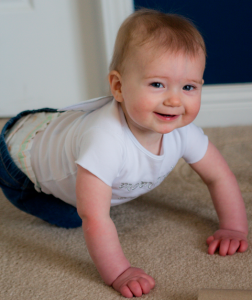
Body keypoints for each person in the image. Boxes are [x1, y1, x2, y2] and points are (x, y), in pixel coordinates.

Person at [0, 9, 248, 298]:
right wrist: (119, 272)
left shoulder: (182, 131)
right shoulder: (105, 140)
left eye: (189, 87)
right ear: (118, 86)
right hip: (18, 161)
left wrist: (234, 227)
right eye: (157, 84)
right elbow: (94, 217)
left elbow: (219, 176)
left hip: (55, 128)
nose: (174, 100)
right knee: (74, 217)